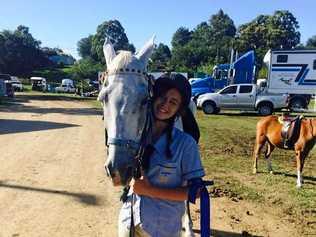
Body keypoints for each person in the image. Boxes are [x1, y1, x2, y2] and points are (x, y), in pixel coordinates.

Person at [118, 73, 205, 237]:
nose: (165, 105)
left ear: (179, 109)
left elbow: (196, 192)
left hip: (162, 228)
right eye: (162, 97)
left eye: (173, 102)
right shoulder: (134, 137)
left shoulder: (186, 144)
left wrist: (149, 190)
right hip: (127, 221)